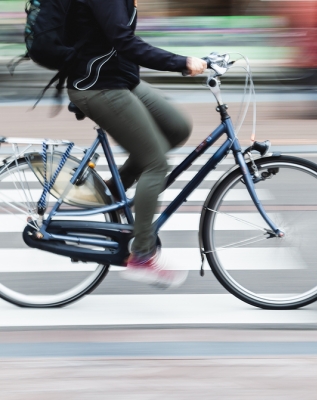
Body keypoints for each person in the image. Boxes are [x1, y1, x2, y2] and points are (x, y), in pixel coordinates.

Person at [66, 0, 207, 287]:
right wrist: (180, 62)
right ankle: (142, 255)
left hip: (120, 80)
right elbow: (124, 42)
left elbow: (117, 41)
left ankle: (113, 190)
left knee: (177, 128)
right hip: (98, 86)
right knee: (156, 164)